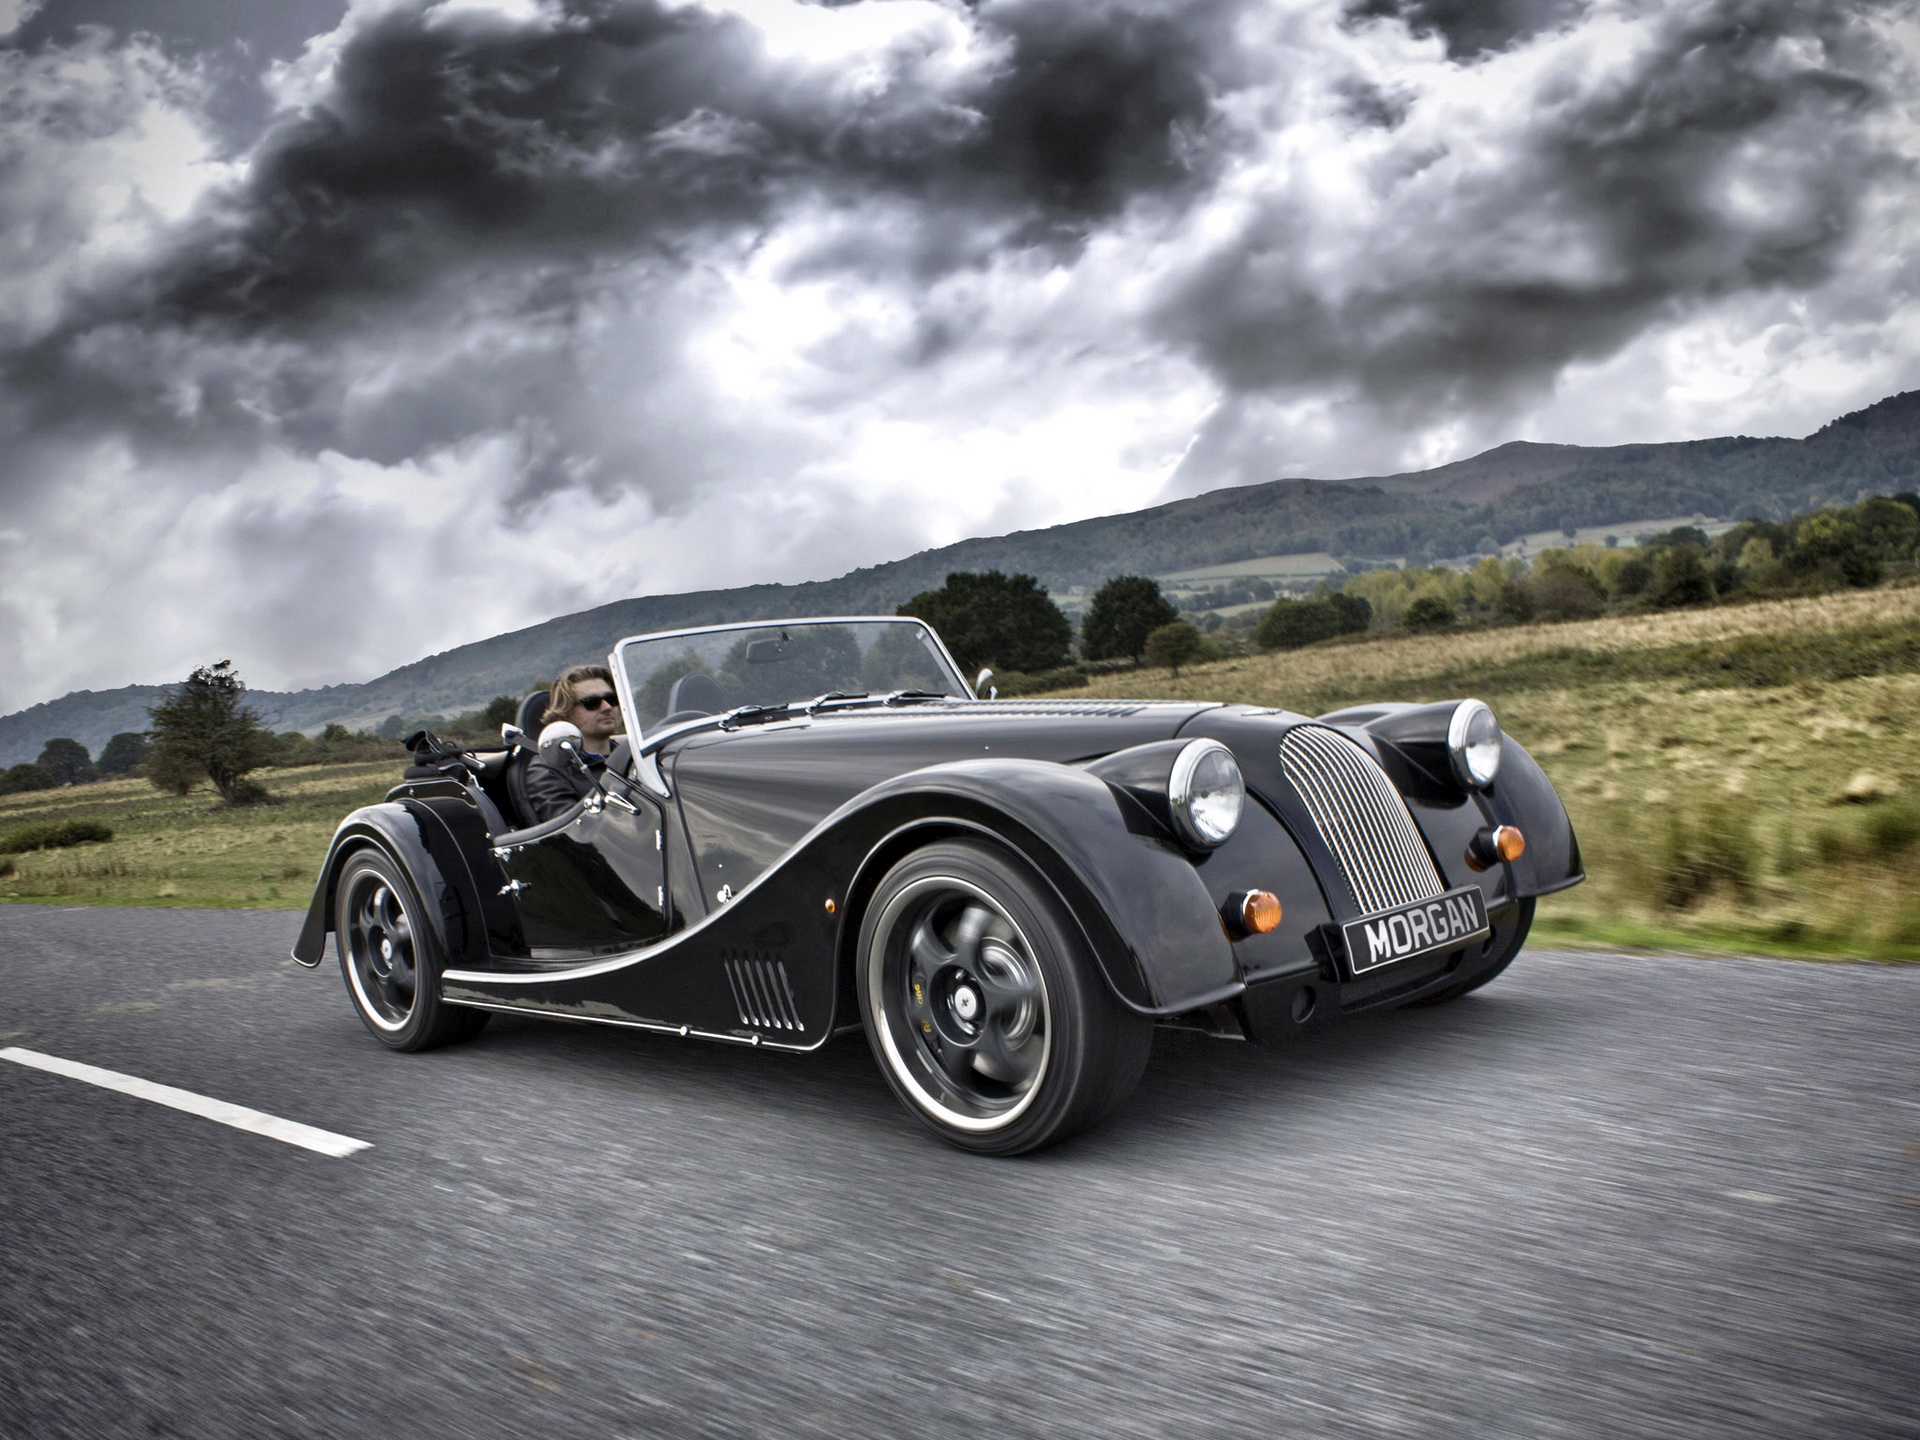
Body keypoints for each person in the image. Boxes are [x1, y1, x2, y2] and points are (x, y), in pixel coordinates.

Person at [525, 664, 625, 821]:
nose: (606, 707)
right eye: (591, 703)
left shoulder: (631, 757)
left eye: (611, 699)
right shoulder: (548, 770)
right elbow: (571, 832)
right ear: (565, 713)